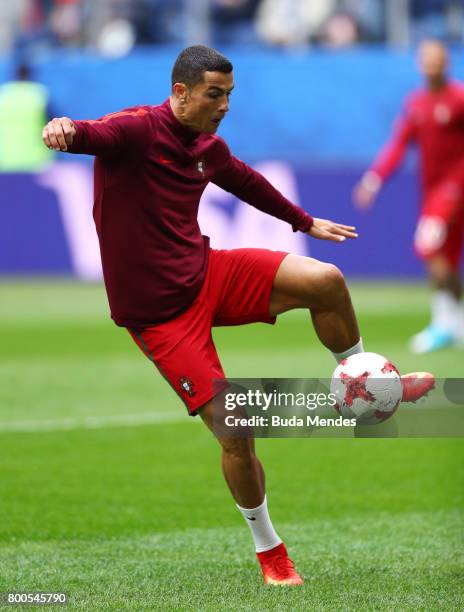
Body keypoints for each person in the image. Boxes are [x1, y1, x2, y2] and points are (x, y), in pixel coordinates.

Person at [42, 45, 433, 586]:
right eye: (214, 94)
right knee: (236, 429)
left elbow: (244, 181)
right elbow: (85, 133)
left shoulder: (208, 147)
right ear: (180, 93)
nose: (225, 105)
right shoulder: (133, 130)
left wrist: (302, 221)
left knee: (325, 280)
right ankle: (270, 551)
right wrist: (60, 128)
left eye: (229, 94)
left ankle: (365, 383)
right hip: (159, 316)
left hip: (207, 274)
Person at [354, 40, 464, 354]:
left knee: (427, 245)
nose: (432, 65)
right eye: (426, 60)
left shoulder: (459, 99)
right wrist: (374, 180)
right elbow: (399, 145)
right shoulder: (417, 103)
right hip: (431, 190)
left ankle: (443, 324)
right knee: (448, 258)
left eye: (437, 60)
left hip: (454, 189)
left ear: (447, 63)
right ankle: (456, 323)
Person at [0, 61, 53, 172]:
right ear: (30, 75)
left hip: (6, 160)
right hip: (36, 161)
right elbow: (53, 125)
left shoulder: (3, 94)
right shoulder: (39, 94)